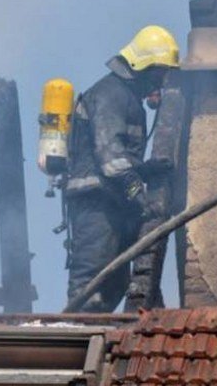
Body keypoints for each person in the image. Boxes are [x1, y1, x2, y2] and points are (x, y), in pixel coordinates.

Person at [64, 25, 179, 312]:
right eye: (158, 73)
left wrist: (145, 170)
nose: (160, 81)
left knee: (115, 284)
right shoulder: (111, 93)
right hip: (96, 201)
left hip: (112, 200)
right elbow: (110, 154)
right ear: (142, 66)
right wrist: (137, 191)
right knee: (90, 283)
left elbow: (120, 157)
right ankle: (76, 335)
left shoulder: (129, 99)